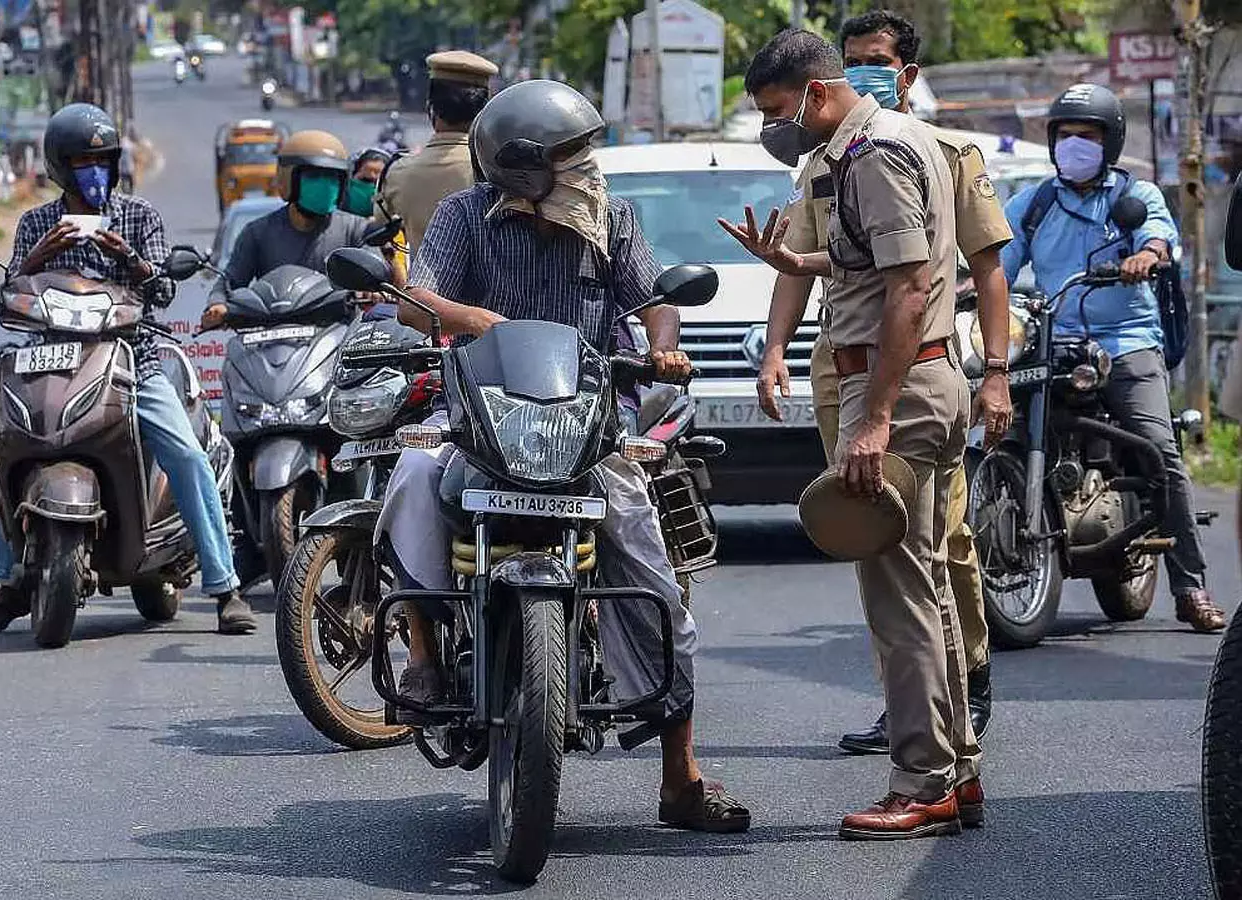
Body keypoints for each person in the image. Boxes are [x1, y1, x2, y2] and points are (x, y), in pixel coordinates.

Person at [379, 79, 750, 833]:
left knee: (650, 568)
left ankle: (681, 777)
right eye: (570, 154)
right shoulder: (462, 216)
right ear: (520, 165)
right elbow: (418, 299)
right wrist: (467, 317)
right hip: (479, 417)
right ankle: (422, 650)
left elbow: (654, 300)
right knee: (413, 475)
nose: (586, 165)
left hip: (587, 424)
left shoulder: (611, 216)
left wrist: (664, 346)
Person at [728, 29, 978, 839]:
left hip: (896, 390)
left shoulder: (873, 154)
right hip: (916, 381)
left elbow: (909, 290)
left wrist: (873, 418)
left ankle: (921, 783)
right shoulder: (878, 145)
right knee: (926, 585)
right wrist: (798, 265)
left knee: (896, 598)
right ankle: (956, 769)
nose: (777, 126)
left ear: (817, 91)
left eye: (779, 109)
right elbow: (873, 262)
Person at [0, 103, 255, 637]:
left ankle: (224, 586)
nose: (94, 171)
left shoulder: (139, 218)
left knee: (186, 456)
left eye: (103, 160)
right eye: (82, 162)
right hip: (51, 361)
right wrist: (37, 257)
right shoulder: (35, 224)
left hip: (132, 359)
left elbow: (164, 290)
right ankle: (11, 581)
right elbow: (10, 298)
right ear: (60, 167)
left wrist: (131, 259)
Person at [1001, 83, 1225, 634]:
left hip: (1126, 340)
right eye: (1065, 135)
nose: (1074, 144)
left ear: (1111, 142)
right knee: (999, 423)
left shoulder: (1135, 195)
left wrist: (1147, 254)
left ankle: (1190, 586)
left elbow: (1158, 236)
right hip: (1053, 339)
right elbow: (995, 264)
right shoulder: (1032, 204)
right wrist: (963, 288)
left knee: (1158, 448)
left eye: (1088, 135)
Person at [203, 129, 368, 306]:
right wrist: (217, 303)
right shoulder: (258, 233)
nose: (326, 186)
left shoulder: (354, 229)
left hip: (338, 321)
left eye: (332, 178)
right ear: (289, 178)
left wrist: (371, 290)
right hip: (275, 321)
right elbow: (230, 282)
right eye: (314, 176)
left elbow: (372, 271)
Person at [375, 50, 497, 254]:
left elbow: (380, 228)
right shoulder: (500, 173)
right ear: (484, 111)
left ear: (430, 107)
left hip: (422, 275)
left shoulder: (396, 173)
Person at [340, 146, 392, 218]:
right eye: (369, 170)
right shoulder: (344, 187)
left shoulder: (382, 193)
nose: (372, 175)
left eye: (377, 172)